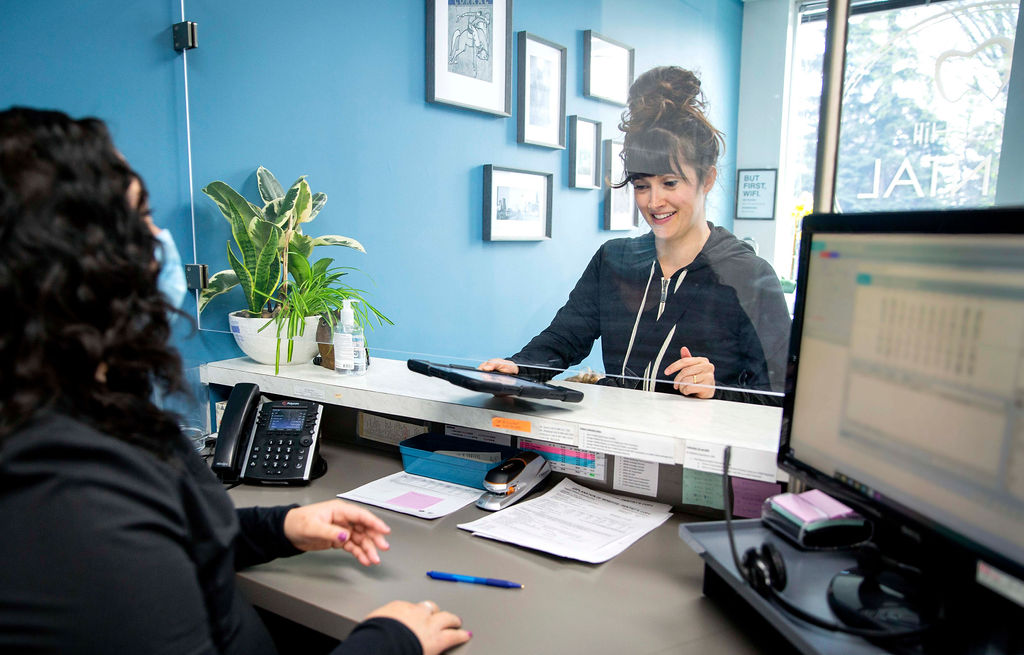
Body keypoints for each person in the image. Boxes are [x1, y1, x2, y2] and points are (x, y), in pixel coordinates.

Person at [0, 107, 471, 655]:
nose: (161, 241)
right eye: (142, 217)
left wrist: (282, 527)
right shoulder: (66, 487)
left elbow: (172, 541)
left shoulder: (86, 407)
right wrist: (391, 640)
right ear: (74, 261)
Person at [481, 66, 791, 404]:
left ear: (707, 179)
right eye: (642, 186)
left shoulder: (750, 277)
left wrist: (717, 392)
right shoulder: (614, 260)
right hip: (618, 445)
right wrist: (518, 368)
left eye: (669, 183)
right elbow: (564, 339)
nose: (654, 202)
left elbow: (778, 400)